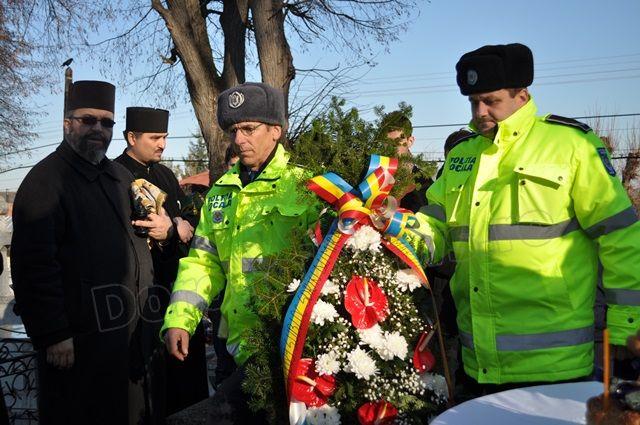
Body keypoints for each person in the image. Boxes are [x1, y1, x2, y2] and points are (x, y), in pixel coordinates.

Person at [411, 43, 640, 397]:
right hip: (477, 367)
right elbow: (436, 224)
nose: (480, 112)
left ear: (522, 94)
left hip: (557, 369)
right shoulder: (462, 155)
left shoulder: (571, 146)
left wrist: (627, 330)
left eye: (491, 101)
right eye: (473, 102)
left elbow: (621, 238)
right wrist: (395, 235)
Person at [161, 82, 319, 423]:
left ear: (275, 130)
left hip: (286, 348)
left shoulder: (306, 188)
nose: (239, 139)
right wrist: (180, 320)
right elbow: (202, 263)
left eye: (249, 129)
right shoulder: (220, 192)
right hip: (234, 348)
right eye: (234, 130)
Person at [11, 81, 165, 424]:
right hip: (79, 344)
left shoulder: (119, 177)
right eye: (88, 120)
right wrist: (53, 334)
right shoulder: (45, 182)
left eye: (106, 122)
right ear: (67, 123)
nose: (98, 129)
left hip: (127, 337)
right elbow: (33, 267)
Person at [115, 107, 208, 414]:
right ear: (132, 137)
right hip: (142, 297)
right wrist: (172, 229)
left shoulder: (165, 174)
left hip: (176, 288)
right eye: (155, 138)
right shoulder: (115, 176)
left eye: (165, 137)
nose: (162, 145)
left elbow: (187, 224)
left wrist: (177, 227)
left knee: (187, 385)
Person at [380, 110, 433, 212]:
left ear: (410, 141)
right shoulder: (373, 179)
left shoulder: (424, 184)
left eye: (397, 142)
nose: (390, 148)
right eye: (386, 142)